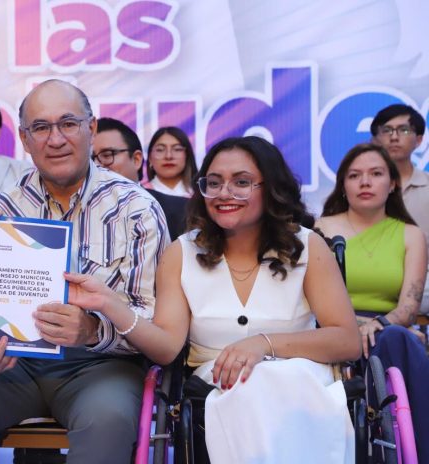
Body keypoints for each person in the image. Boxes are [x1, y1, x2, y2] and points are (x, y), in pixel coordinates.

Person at [66, 136, 361, 463]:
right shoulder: (182, 252)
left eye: (241, 182)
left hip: (301, 385)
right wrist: (109, 304)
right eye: (214, 183)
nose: (224, 193)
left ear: (271, 188)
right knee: (249, 389)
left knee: (273, 381)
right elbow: (166, 348)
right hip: (220, 389)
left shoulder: (307, 247)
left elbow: (348, 341)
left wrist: (263, 344)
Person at [0, 79, 170, 464]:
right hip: (14, 366)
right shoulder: (3, 208)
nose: (55, 139)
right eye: (40, 128)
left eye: (68, 124)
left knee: (108, 417)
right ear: (24, 139)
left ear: (91, 128)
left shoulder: (136, 209)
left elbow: (151, 318)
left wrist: (92, 330)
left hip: (101, 366)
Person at [316, 142, 429, 462]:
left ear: (392, 183)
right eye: (354, 175)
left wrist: (376, 325)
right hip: (331, 326)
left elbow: (409, 307)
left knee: (396, 338)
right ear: (343, 184)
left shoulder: (411, 234)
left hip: (386, 328)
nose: (365, 182)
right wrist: (350, 327)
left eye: (376, 174)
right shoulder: (321, 229)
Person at [370, 104, 429, 313]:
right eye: (387, 130)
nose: (394, 137)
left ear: (419, 140)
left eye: (404, 130)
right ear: (375, 139)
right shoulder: (361, 188)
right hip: (371, 275)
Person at [94, 117, 187, 240]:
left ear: (136, 159)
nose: (96, 165)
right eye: (90, 159)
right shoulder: (75, 213)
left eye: (107, 155)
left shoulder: (182, 211)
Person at [143, 126, 197, 198]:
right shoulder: (139, 195)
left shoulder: (201, 195)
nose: (168, 156)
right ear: (150, 158)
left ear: (187, 155)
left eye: (177, 149)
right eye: (160, 150)